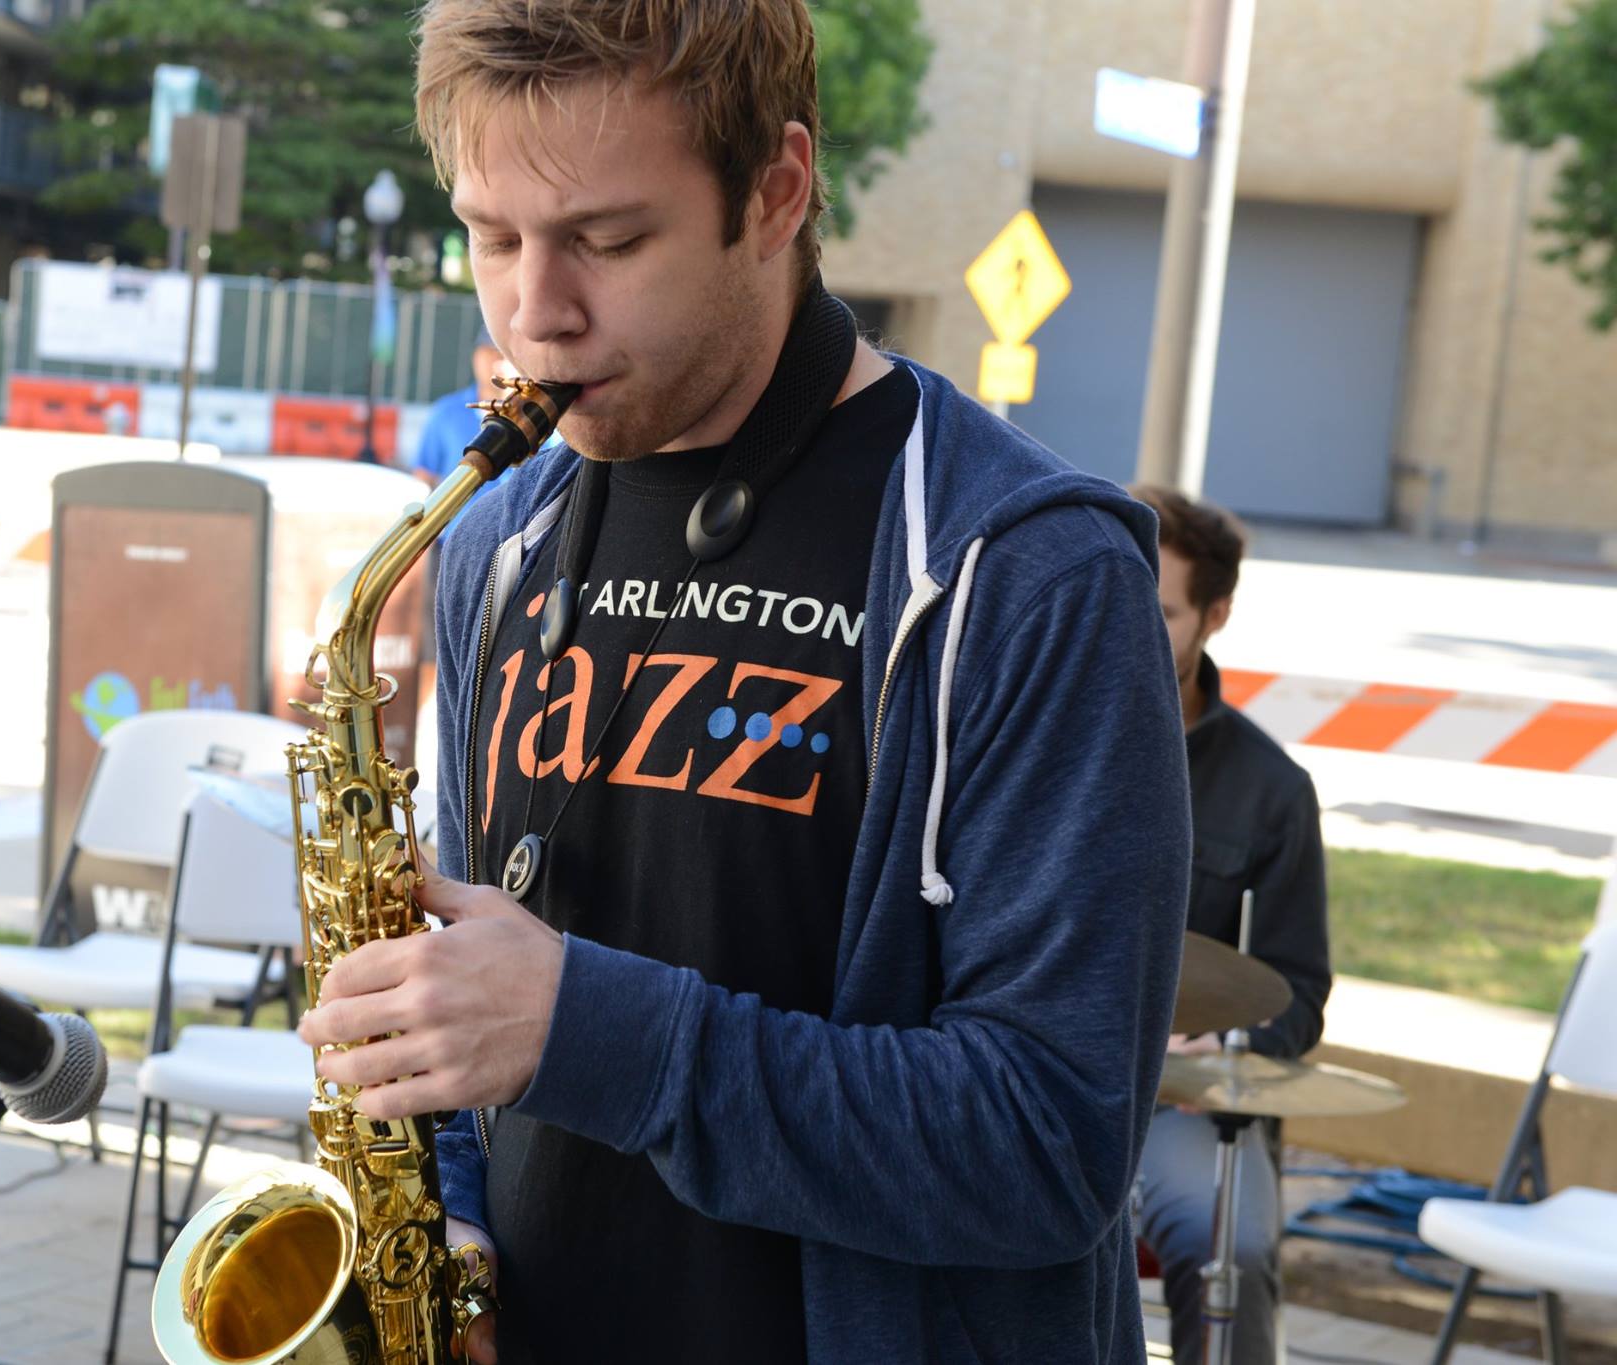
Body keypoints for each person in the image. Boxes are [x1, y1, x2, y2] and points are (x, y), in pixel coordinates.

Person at [295, 4, 1193, 1361]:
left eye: (606, 238)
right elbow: (471, 1001)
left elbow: (1050, 1144)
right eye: (492, 236)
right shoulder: (491, 538)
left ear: (776, 190)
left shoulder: (1030, 571)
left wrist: (597, 1030)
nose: (535, 313)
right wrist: (452, 1220)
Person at [1129, 484, 1332, 1365]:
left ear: (1217, 614)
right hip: (1023, 1071)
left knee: (1235, 1254)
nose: (1129, 624)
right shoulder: (1025, 726)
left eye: (1163, 609)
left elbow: (1299, 990)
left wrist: (1237, 1045)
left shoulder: (1274, 791)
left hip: (1183, 1101)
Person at [410, 325, 508, 487]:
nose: (497, 362)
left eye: (505, 354)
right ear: (476, 356)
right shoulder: (446, 413)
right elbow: (424, 477)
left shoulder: (538, 418)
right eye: (491, 352)